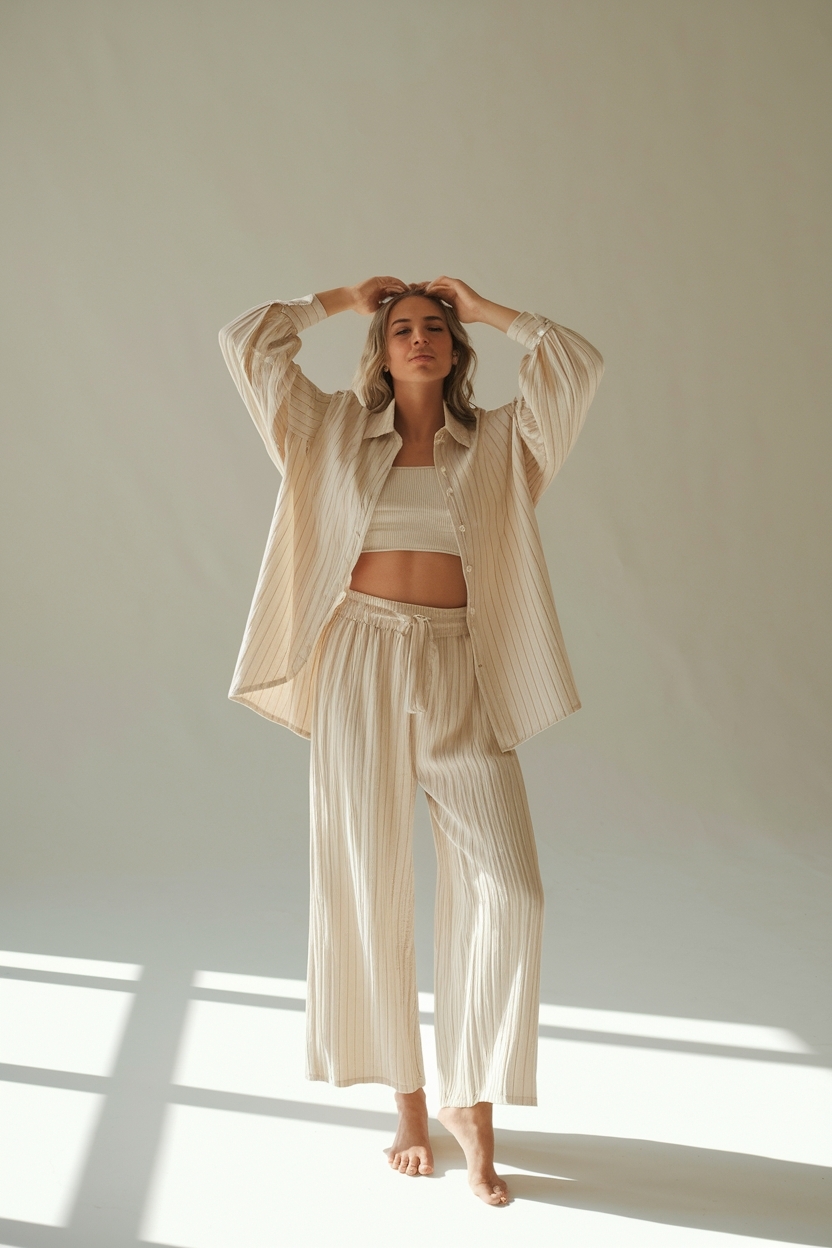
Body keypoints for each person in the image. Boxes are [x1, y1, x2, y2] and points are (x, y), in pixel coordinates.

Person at [219, 276, 603, 1205]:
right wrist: (339, 299)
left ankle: (475, 1109)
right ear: (382, 351)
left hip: (462, 664)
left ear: (458, 348)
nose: (421, 339)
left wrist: (497, 310)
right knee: (366, 880)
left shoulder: (504, 443)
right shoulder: (329, 433)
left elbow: (577, 369)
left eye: (436, 328)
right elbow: (246, 343)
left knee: (510, 890)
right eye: (403, 330)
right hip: (359, 657)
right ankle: (409, 1101)